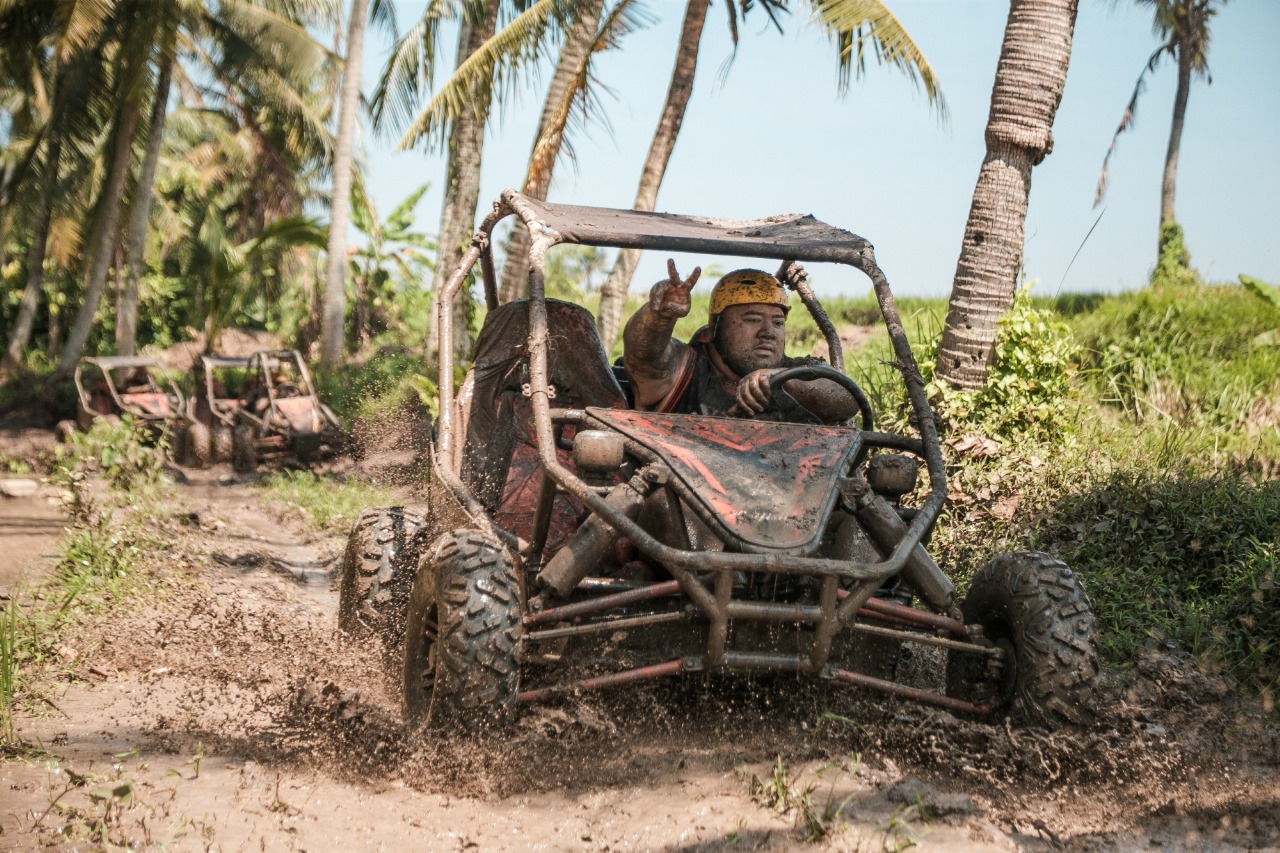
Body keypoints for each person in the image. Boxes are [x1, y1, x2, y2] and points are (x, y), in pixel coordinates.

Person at [622, 260, 857, 425]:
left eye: (777, 322)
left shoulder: (799, 371)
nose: (768, 332)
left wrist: (778, 379)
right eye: (753, 319)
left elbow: (846, 398)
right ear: (713, 328)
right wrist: (659, 318)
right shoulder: (684, 368)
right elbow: (644, 354)